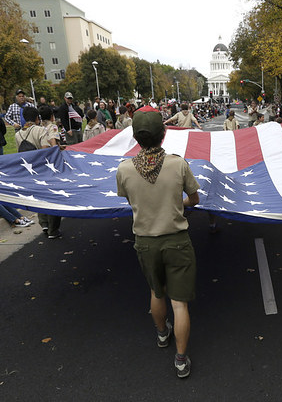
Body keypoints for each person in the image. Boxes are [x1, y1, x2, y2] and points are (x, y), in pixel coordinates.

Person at [116, 106, 200, 379]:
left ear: (135, 136)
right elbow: (194, 199)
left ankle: (162, 334)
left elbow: (131, 201)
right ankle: (180, 359)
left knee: (156, 292)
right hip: (177, 240)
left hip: (145, 242)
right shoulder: (178, 164)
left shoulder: (124, 169)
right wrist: (179, 203)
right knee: (180, 303)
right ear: (164, 135)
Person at [16, 107, 62, 239]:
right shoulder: (40, 130)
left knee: (39, 196)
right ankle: (53, 229)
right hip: (44, 168)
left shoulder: (18, 134)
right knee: (51, 196)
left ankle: (44, 223)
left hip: (30, 168)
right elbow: (45, 149)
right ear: (37, 118)